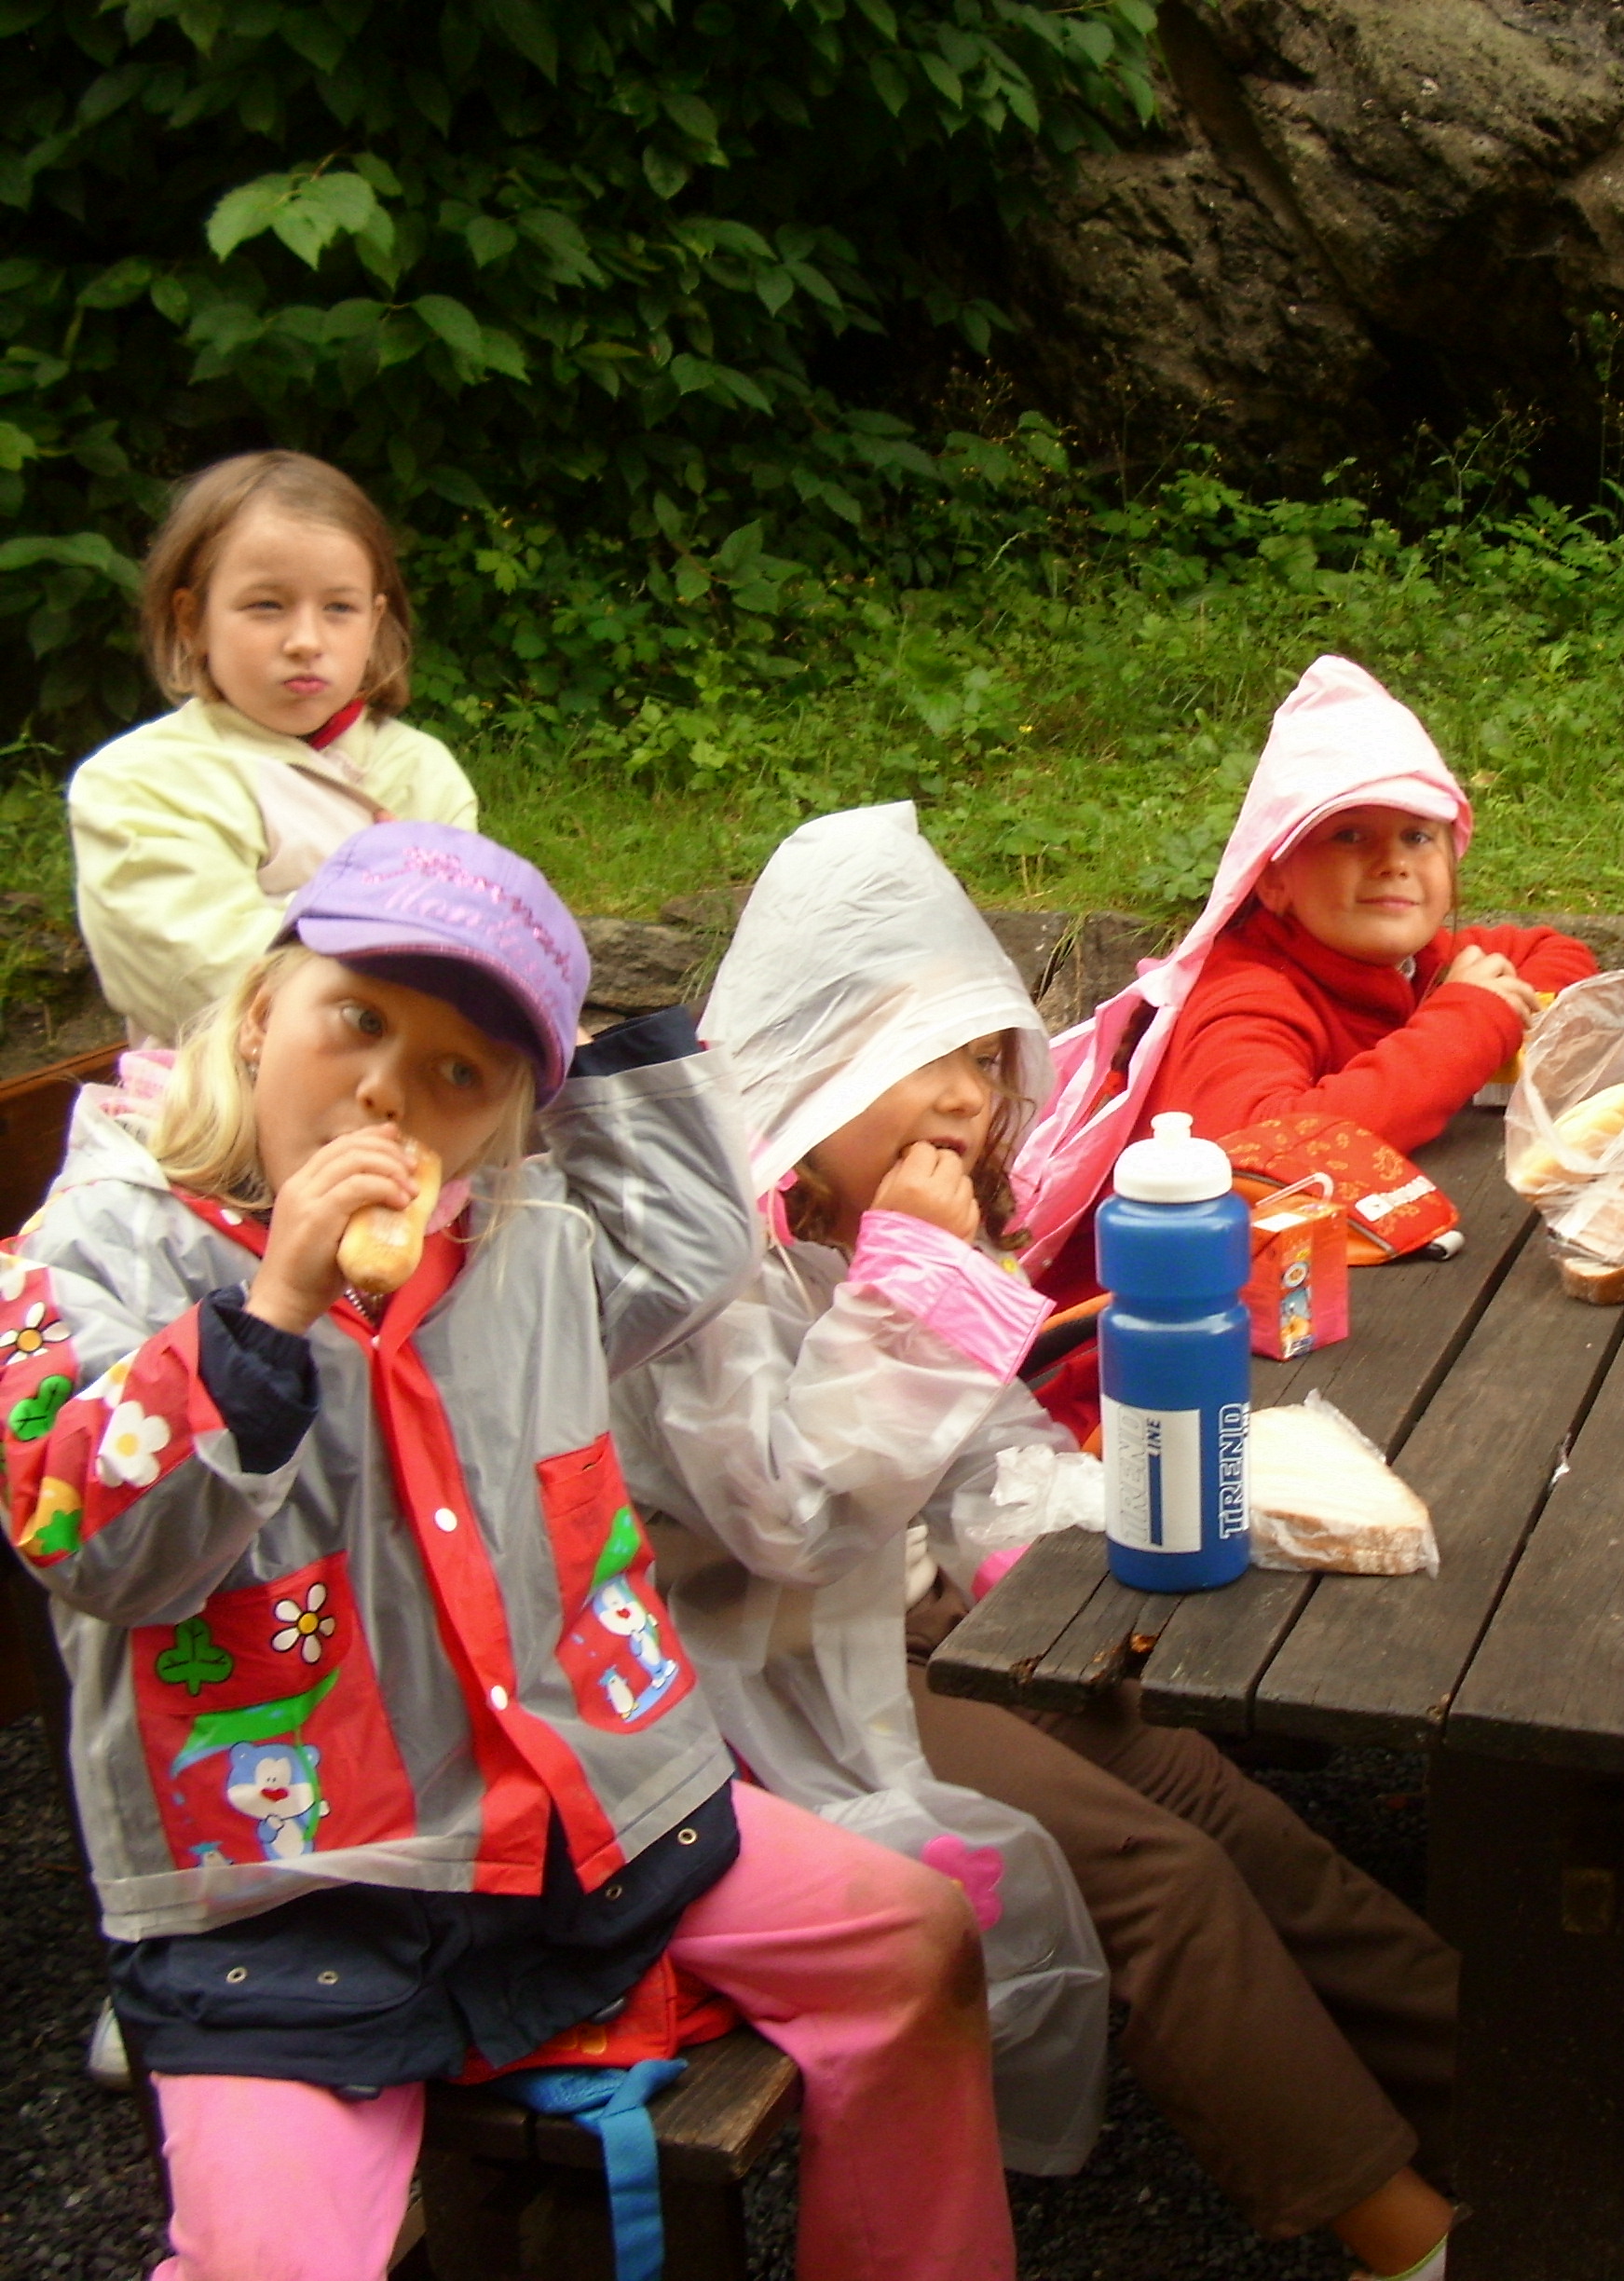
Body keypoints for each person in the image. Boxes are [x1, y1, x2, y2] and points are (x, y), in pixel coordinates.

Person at [0, 822, 1018, 2281]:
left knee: (916, 1940)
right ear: (259, 1011)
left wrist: (599, 1062)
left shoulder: (524, 1239)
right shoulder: (92, 1248)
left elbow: (692, 1246)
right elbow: (86, 1539)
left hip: (588, 1822)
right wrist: (271, 1314)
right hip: (287, 1897)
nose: (387, 1091)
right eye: (358, 1021)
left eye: (460, 1073)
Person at [614, 802, 1462, 2281]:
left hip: (915, 1627)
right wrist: (913, 1282)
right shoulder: (702, 1276)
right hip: (772, 1691)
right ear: (809, 1066)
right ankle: (1402, 2231)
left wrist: (1109, 1528)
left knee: (1203, 1784)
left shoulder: (865, 1220)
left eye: (980, 1062)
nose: (963, 1098)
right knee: (1154, 1877)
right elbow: (789, 1518)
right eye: (919, 1058)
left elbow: (987, 1454)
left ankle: (1533, 2093)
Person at [1017, 654, 1595, 1296]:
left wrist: (1488, 1007)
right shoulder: (1247, 994)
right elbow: (1265, 1146)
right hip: (1152, 1314)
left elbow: (1556, 951)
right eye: (1349, 836)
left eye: (1417, 836)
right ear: (1273, 881)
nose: (1392, 862)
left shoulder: (1424, 961)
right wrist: (1470, 1023)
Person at [67, 452, 481, 1049]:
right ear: (192, 620)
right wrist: (395, 923)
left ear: (374, 621)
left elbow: (480, 957)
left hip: (419, 1081)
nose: (306, 641)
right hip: (219, 1096)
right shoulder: (135, 782)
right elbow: (210, 981)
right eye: (266, 605)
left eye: (339, 608)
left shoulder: (421, 772)